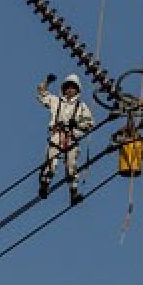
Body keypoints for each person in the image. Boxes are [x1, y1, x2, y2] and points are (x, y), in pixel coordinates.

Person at [36, 72, 94, 205]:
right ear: (63, 88)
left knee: (71, 166)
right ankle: (44, 185)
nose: (69, 89)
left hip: (72, 137)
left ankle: (73, 193)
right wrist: (47, 82)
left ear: (77, 89)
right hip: (56, 135)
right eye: (67, 87)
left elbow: (89, 123)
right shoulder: (56, 101)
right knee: (51, 162)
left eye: (72, 87)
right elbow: (41, 94)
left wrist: (77, 126)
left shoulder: (81, 107)